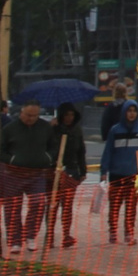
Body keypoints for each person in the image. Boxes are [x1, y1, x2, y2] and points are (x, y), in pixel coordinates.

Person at [0, 99, 59, 251]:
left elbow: (54, 147)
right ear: (21, 112)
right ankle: (14, 240)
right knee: (12, 208)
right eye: (28, 115)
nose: (31, 118)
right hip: (13, 173)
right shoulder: (9, 128)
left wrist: (48, 159)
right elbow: (0, 151)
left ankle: (30, 235)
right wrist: (11, 160)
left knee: (38, 203)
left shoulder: (45, 128)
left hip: (37, 173)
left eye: (35, 115)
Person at [100, 101, 138, 242]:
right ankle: (113, 231)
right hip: (117, 174)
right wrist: (104, 170)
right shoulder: (115, 130)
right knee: (115, 205)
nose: (131, 114)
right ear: (124, 112)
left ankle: (129, 232)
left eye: (134, 111)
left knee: (131, 206)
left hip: (134, 174)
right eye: (129, 110)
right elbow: (108, 151)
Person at [47, 103, 88, 247]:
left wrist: (83, 171)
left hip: (71, 171)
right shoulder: (53, 130)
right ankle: (49, 235)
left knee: (67, 205)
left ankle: (66, 234)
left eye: (71, 115)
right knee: (53, 204)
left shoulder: (76, 131)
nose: (69, 118)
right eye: (66, 115)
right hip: (54, 171)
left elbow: (81, 151)